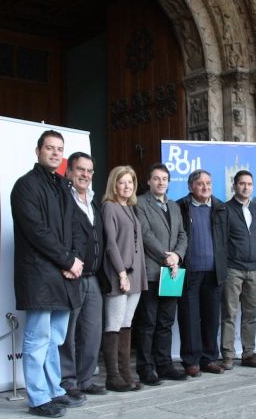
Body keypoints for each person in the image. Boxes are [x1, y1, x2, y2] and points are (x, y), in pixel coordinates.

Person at [10, 130, 86, 418]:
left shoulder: (63, 186)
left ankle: (54, 390)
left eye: (59, 149)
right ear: (38, 151)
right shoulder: (25, 187)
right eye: (50, 148)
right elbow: (36, 232)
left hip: (64, 275)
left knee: (55, 339)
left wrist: (76, 259)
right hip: (40, 275)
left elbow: (76, 227)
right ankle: (38, 398)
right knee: (37, 338)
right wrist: (68, 260)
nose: (55, 153)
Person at [134, 164, 189, 385]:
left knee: (166, 321)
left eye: (165, 179)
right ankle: (146, 368)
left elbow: (183, 235)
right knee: (148, 322)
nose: (161, 182)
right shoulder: (139, 203)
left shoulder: (174, 206)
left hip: (172, 273)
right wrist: (165, 256)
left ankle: (164, 364)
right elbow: (145, 234)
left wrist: (177, 255)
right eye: (156, 179)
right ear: (148, 181)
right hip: (152, 271)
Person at [59, 152, 107, 397]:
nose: (85, 175)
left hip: (93, 277)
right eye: (80, 169)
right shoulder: (62, 199)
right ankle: (68, 382)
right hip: (71, 277)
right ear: (69, 172)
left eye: (89, 171)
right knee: (68, 333)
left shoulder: (93, 201)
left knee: (91, 331)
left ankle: (86, 379)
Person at [177, 169, 228, 377]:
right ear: (190, 187)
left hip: (214, 273)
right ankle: (191, 361)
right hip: (189, 272)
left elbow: (226, 239)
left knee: (211, 318)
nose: (205, 187)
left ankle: (209, 359)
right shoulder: (180, 207)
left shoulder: (220, 207)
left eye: (208, 183)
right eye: (200, 184)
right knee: (189, 318)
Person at [100, 165, 147, 392]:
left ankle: (126, 374)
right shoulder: (109, 207)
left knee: (127, 325)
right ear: (114, 184)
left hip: (136, 275)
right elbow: (110, 245)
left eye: (130, 182)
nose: (127, 186)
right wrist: (121, 274)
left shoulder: (130, 207)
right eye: (122, 182)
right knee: (113, 325)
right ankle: (113, 376)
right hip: (119, 275)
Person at [220, 170, 256, 369]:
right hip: (233, 269)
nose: (246, 187)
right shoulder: (225, 208)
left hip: (254, 269)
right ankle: (228, 354)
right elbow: (221, 240)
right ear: (234, 186)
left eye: (249, 184)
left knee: (250, 314)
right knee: (229, 313)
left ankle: (248, 353)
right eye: (242, 184)